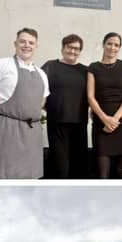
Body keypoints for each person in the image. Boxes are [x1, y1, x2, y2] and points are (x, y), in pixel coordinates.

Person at [0, 28, 49, 179]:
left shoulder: (41, 74)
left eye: (31, 42)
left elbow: (41, 101)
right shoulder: (1, 65)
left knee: (30, 176)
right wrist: (6, 110)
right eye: (22, 41)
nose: (26, 45)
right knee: (2, 174)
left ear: (36, 46)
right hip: (6, 127)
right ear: (15, 44)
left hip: (32, 132)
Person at [41, 34, 89, 178]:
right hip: (57, 123)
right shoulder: (50, 66)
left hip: (79, 123)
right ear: (62, 48)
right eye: (69, 47)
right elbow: (39, 92)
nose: (73, 51)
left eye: (76, 49)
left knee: (78, 164)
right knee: (59, 165)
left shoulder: (85, 71)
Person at [87, 32, 122, 179]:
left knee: (120, 172)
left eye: (116, 45)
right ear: (103, 44)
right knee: (103, 174)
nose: (112, 48)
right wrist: (105, 119)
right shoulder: (93, 68)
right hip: (101, 125)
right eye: (110, 43)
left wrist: (115, 119)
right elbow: (90, 96)